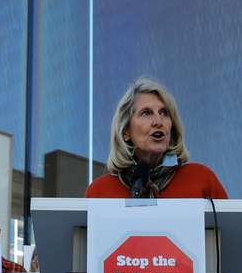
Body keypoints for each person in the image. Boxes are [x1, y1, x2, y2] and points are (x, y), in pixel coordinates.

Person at [85, 77, 228, 199]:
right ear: (126, 131)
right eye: (146, 113)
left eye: (164, 113)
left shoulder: (201, 179)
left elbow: (231, 229)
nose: (158, 122)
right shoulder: (100, 192)